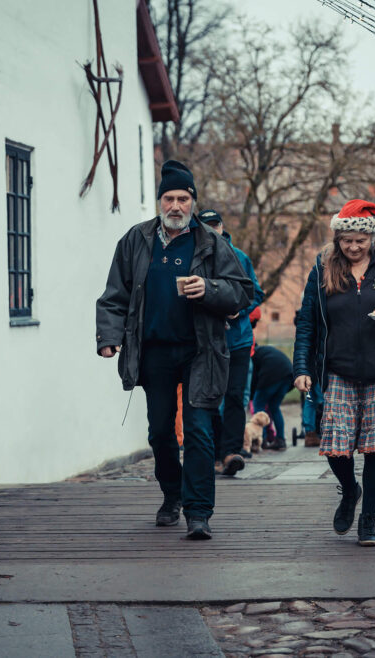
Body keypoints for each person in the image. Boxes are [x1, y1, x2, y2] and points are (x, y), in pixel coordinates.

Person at [95, 160, 253, 540]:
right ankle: (172, 495)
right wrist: (108, 337)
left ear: (193, 202)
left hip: (201, 351)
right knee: (160, 431)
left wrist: (209, 289)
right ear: (160, 202)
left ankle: (198, 512)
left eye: (184, 198)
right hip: (154, 352)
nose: (176, 206)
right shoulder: (136, 240)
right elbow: (115, 294)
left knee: (198, 431)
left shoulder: (212, 244)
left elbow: (242, 292)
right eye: (169, 198)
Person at [292, 199, 375, 546]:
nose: (352, 246)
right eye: (346, 240)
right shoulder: (321, 270)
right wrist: (302, 367)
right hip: (337, 372)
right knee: (336, 447)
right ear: (337, 238)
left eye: (359, 241)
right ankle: (350, 490)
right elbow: (307, 322)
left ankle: (368, 520)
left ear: (374, 238)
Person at [200, 209, 265, 475]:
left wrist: (239, 308)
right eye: (206, 227)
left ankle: (231, 452)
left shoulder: (240, 257)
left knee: (236, 396)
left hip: (237, 340)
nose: (211, 231)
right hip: (206, 341)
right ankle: (215, 452)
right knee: (211, 398)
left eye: (215, 226)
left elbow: (256, 293)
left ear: (222, 228)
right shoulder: (196, 259)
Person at [250, 345, 294, 450]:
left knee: (258, 405)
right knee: (274, 407)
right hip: (288, 374)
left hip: (270, 374)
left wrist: (252, 396)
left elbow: (254, 378)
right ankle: (280, 440)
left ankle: (261, 440)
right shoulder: (263, 350)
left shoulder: (253, 355)